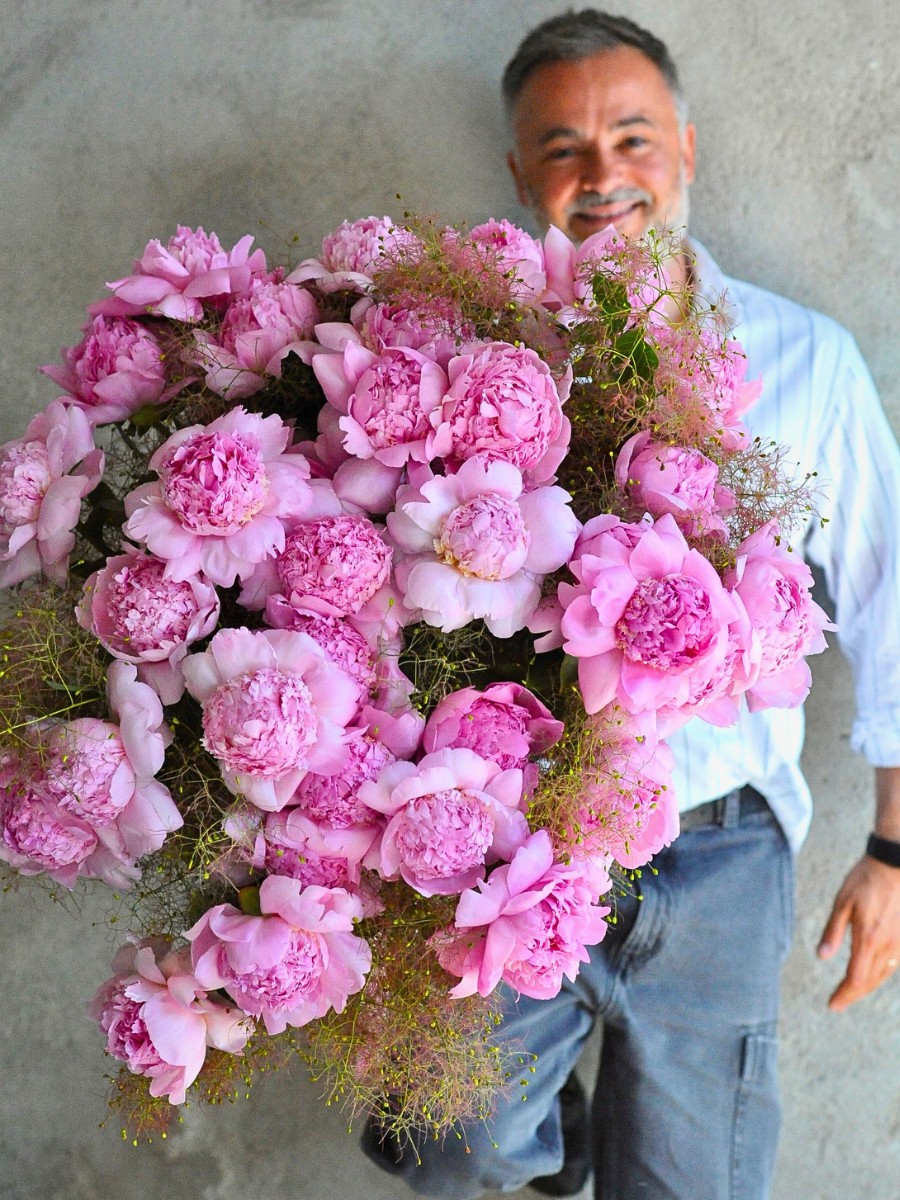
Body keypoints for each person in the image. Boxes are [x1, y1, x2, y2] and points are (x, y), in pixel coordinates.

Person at [363, 10, 900, 1198]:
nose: (601, 175)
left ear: (689, 151)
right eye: (561, 147)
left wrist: (895, 848)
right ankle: (547, 1140)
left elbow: (892, 601)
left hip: (717, 852)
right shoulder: (463, 363)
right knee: (459, 1150)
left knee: (692, 1184)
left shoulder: (805, 363)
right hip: (505, 843)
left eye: (632, 138)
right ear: (519, 172)